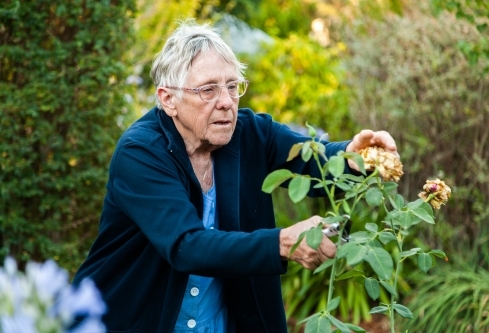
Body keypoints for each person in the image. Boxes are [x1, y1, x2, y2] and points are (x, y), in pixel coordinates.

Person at [72, 19, 399, 333]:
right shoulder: (140, 152)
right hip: (134, 321)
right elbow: (187, 245)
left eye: (232, 86)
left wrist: (356, 157)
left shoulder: (250, 134)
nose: (227, 102)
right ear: (168, 99)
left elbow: (317, 158)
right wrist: (281, 243)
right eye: (208, 90)